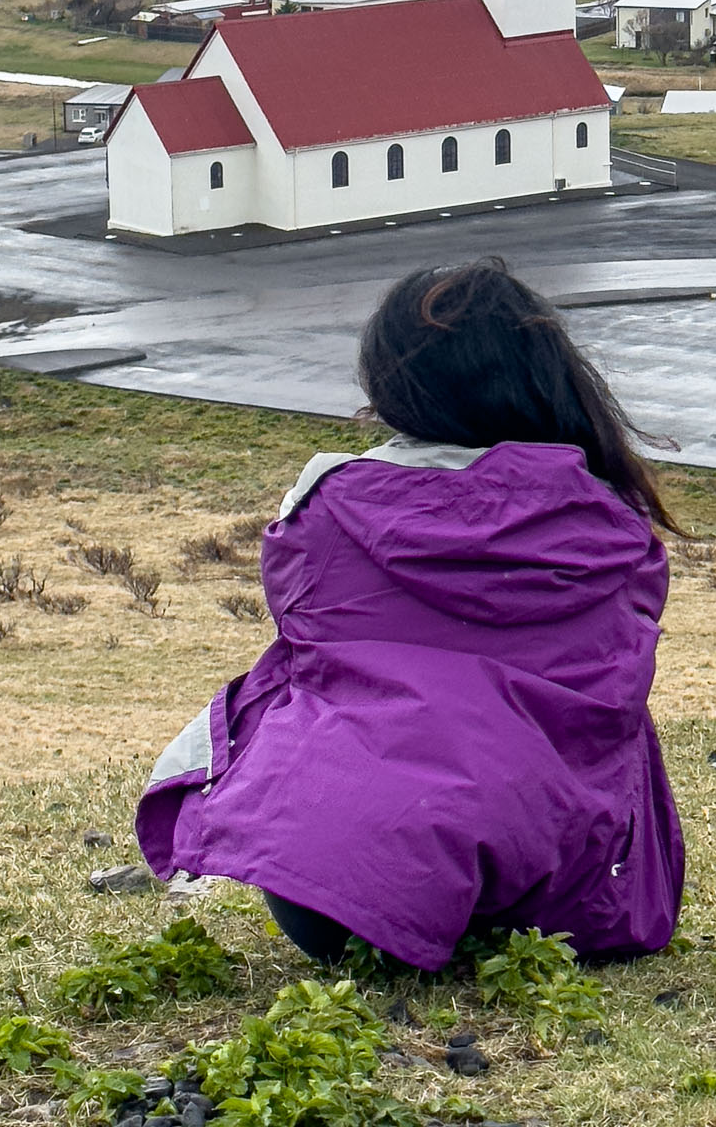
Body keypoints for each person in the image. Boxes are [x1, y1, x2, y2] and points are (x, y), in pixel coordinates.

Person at [136, 259, 685, 970]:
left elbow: (306, 644)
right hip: (571, 902)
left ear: (394, 388)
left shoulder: (330, 506)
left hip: (342, 900)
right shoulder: (613, 525)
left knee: (282, 683)